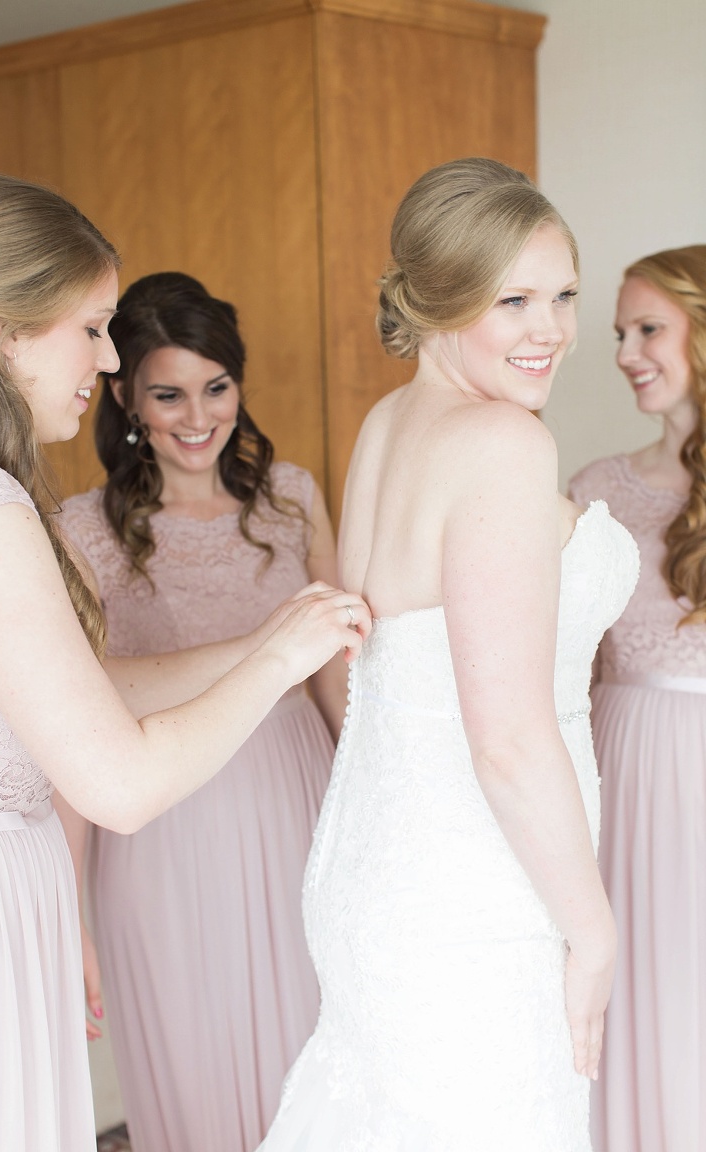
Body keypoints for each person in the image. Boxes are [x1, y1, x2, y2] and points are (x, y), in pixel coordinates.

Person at [0, 172, 369, 1152]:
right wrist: (278, 663)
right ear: (6, 332)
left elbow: (65, 696)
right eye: (90, 327)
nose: (104, 354)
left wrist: (267, 637)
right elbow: (120, 784)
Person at [257, 157, 640, 1152]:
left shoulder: (390, 424)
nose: (549, 330)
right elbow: (506, 737)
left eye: (562, 296)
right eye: (512, 300)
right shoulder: (502, 445)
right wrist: (593, 932)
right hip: (475, 887)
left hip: (381, 867)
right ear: (434, 300)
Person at [58, 271, 347, 1152]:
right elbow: (74, 732)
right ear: (125, 396)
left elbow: (341, 686)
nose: (197, 415)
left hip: (296, 807)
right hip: (161, 830)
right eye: (168, 392)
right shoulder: (83, 528)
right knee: (188, 1063)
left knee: (316, 1059)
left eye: (217, 386)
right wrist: (72, 921)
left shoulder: (291, 498)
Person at [569, 245, 706, 1152]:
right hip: (621, 773)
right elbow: (559, 669)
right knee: (638, 983)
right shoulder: (595, 491)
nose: (625, 351)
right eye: (621, 332)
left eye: (648, 328)